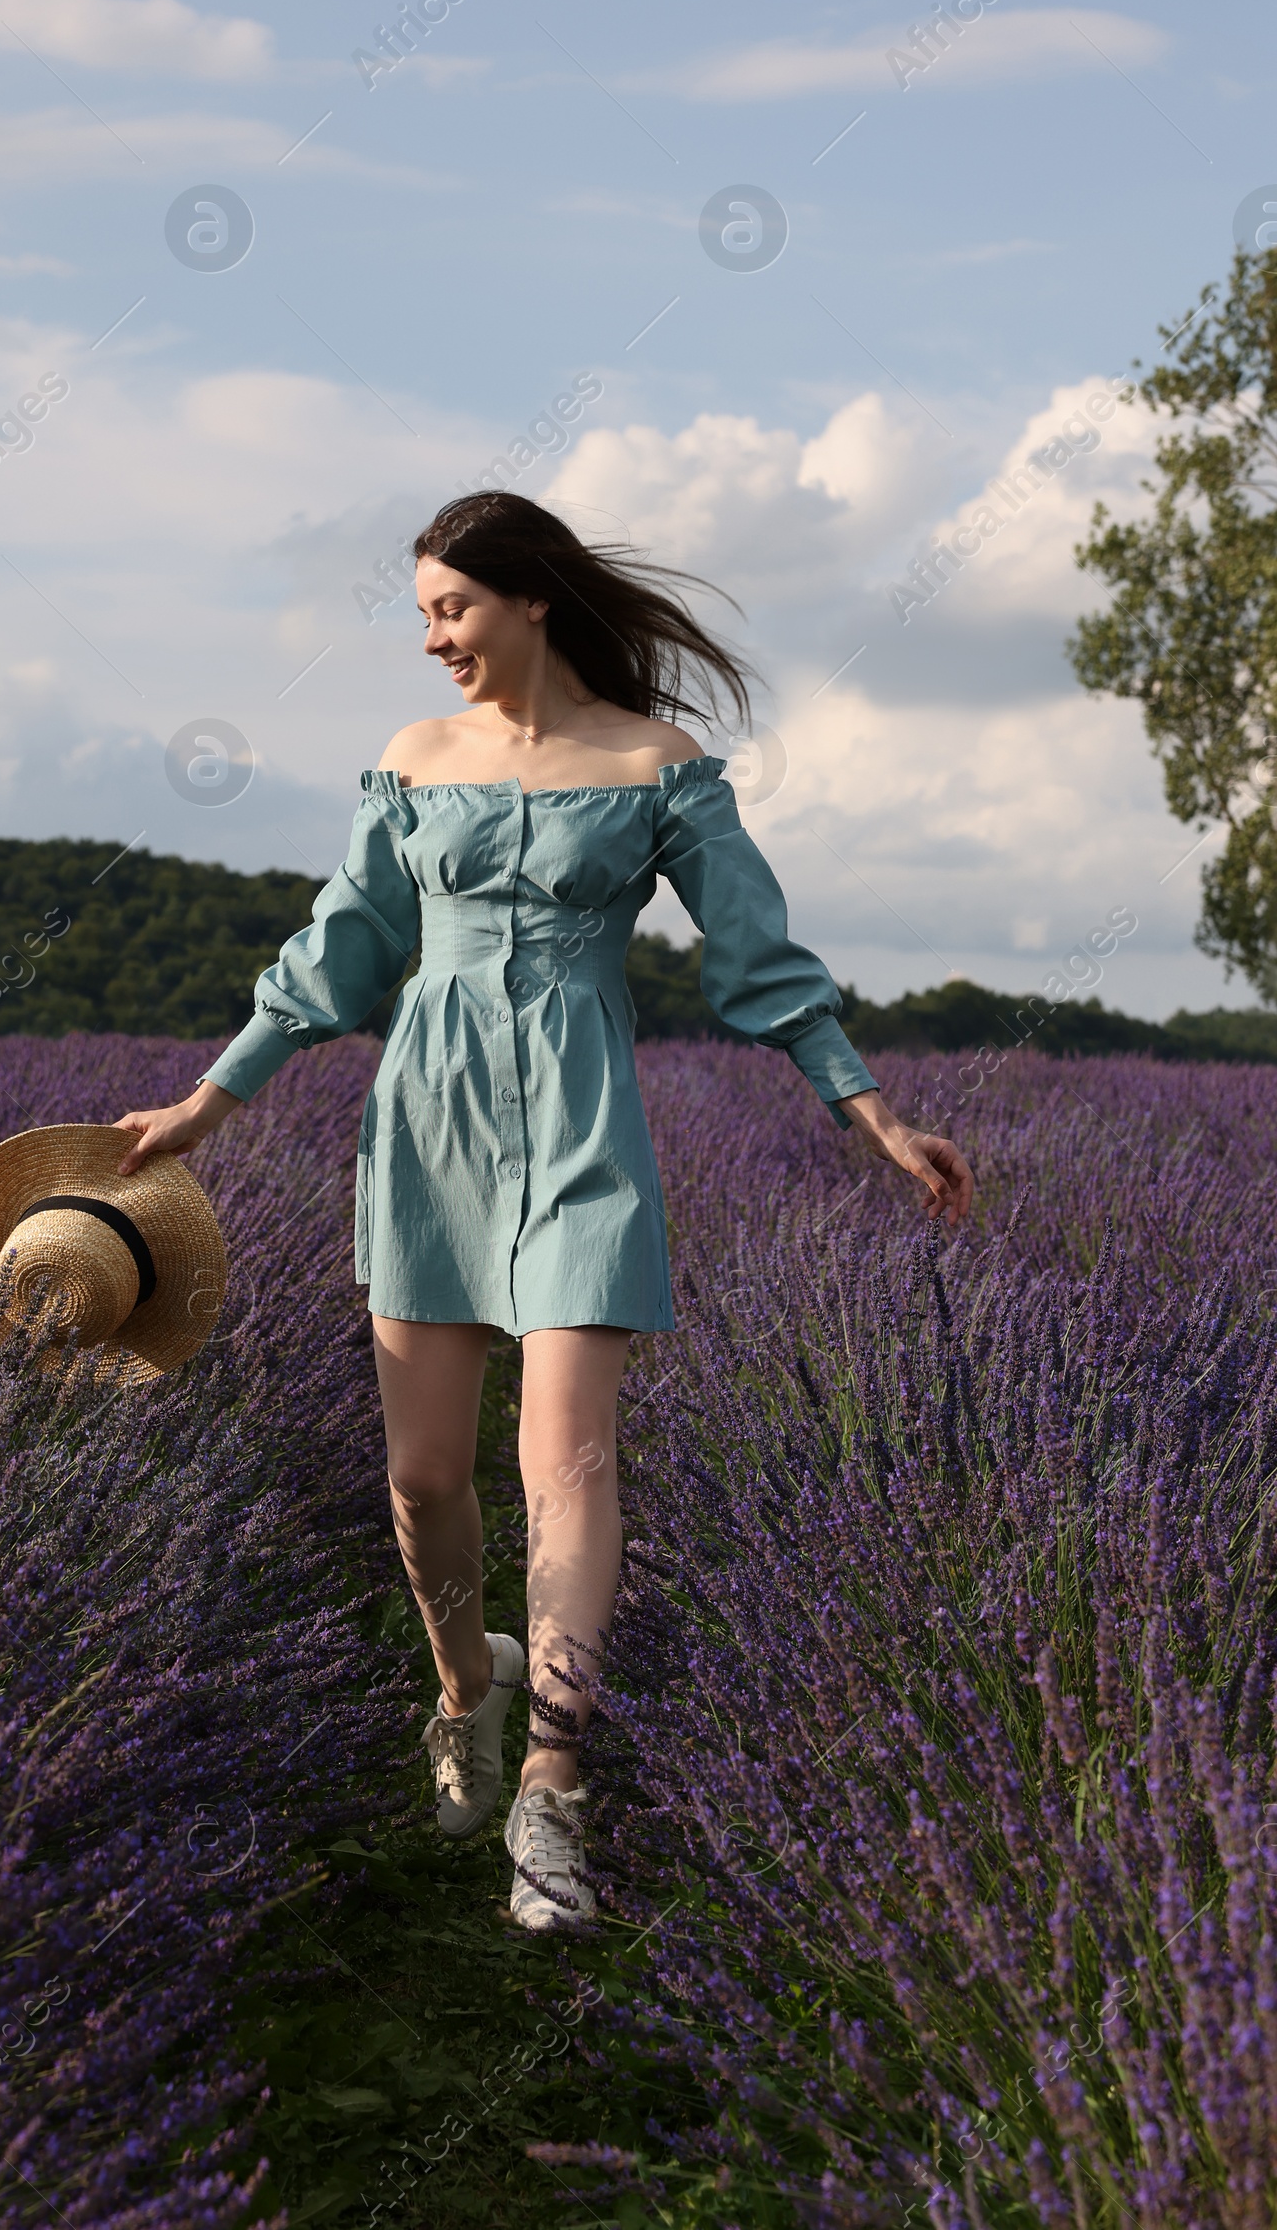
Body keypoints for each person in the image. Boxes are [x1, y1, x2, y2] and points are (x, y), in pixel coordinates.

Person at [115, 491, 974, 1932]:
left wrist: (870, 1109)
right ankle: (468, 1690)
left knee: (568, 1461)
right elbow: (340, 955)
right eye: (425, 616)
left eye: (451, 608)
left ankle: (555, 1795)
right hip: (429, 1127)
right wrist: (210, 1102)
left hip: (584, 1132)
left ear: (530, 600)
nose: (435, 639)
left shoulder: (657, 766)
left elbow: (758, 962)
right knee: (423, 1480)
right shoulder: (414, 763)